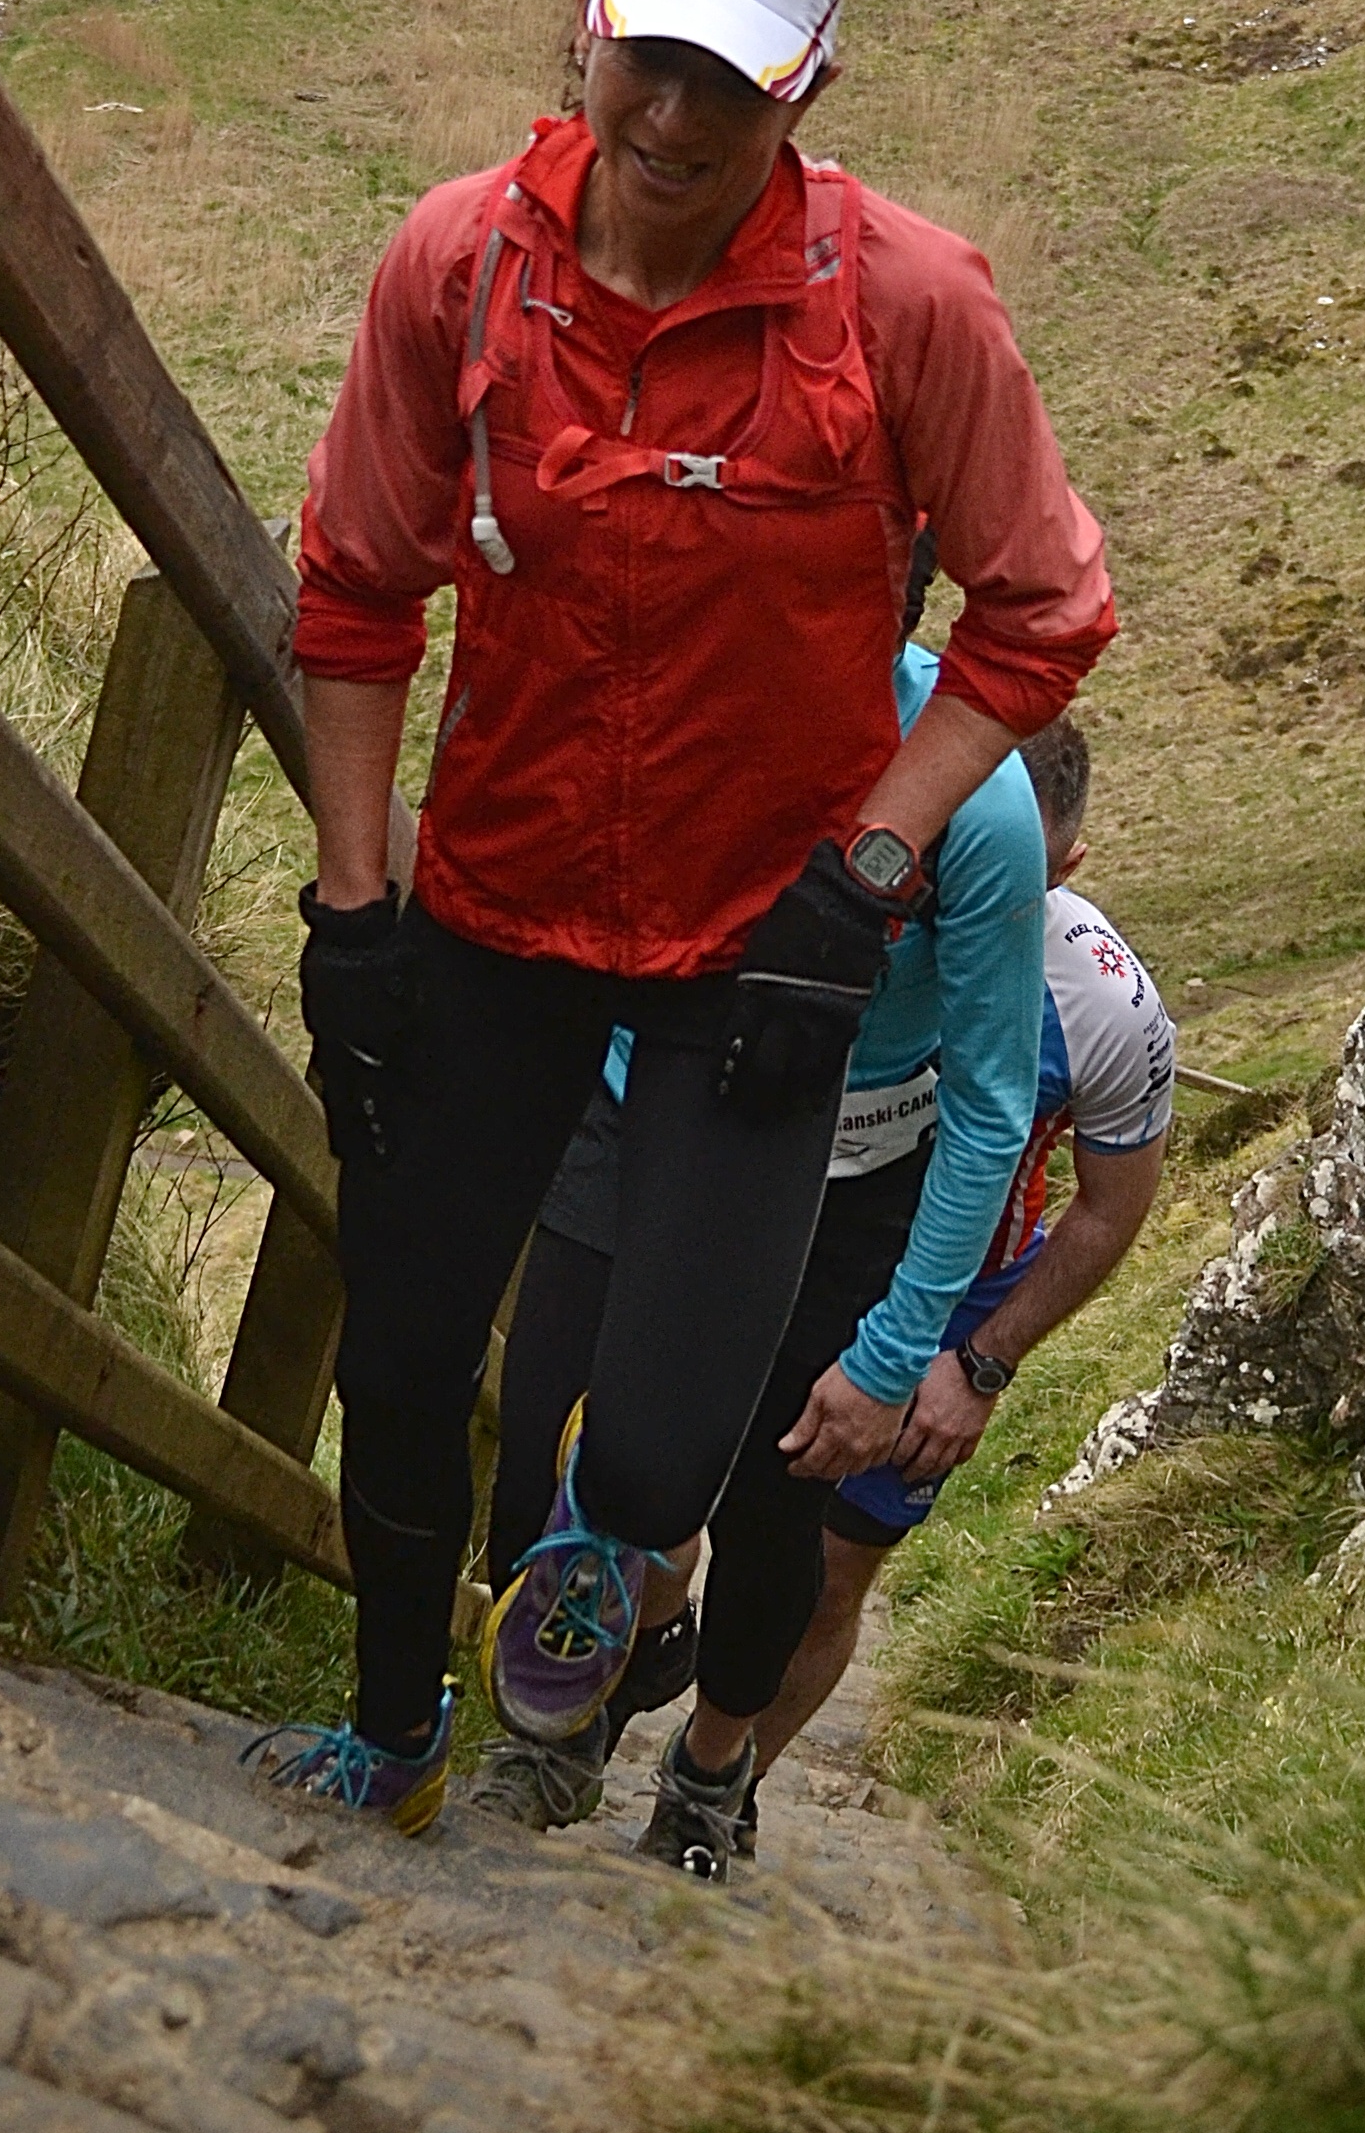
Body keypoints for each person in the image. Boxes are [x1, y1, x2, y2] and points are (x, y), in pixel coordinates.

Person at [241, 0, 1114, 1834]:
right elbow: (360, 591)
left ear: (807, 88)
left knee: (646, 1461)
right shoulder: (459, 266)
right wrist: (353, 908)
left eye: (730, 80)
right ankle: (393, 1739)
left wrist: (873, 864)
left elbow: (1043, 610)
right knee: (397, 1365)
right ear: (588, 8)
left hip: (759, 963)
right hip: (493, 914)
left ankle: (608, 1614)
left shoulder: (903, 306)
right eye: (647, 55)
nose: (671, 114)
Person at [479, 703, 1174, 1870]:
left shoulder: (1099, 998)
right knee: (582, 1456)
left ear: (1058, 867)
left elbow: (1082, 1177)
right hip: (681, 1113)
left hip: (872, 1198)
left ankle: (709, 1770)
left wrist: (954, 1358)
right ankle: (590, 1688)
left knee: (782, 1505)